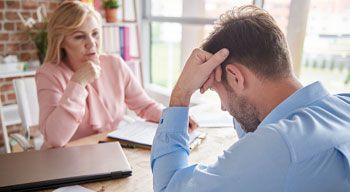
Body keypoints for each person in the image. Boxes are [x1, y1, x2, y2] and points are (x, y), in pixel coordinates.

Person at [151, 5, 350, 192]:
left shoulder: (276, 147)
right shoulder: (343, 104)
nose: (223, 108)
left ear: (236, 77)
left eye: (217, 92)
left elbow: (168, 187)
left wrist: (181, 94)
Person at [36, 1, 197, 148]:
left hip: (107, 152)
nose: (91, 43)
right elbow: (56, 139)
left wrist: (175, 118)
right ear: (61, 41)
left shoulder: (114, 64)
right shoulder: (48, 74)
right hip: (67, 160)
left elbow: (145, 106)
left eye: (95, 33)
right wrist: (78, 83)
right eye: (79, 36)